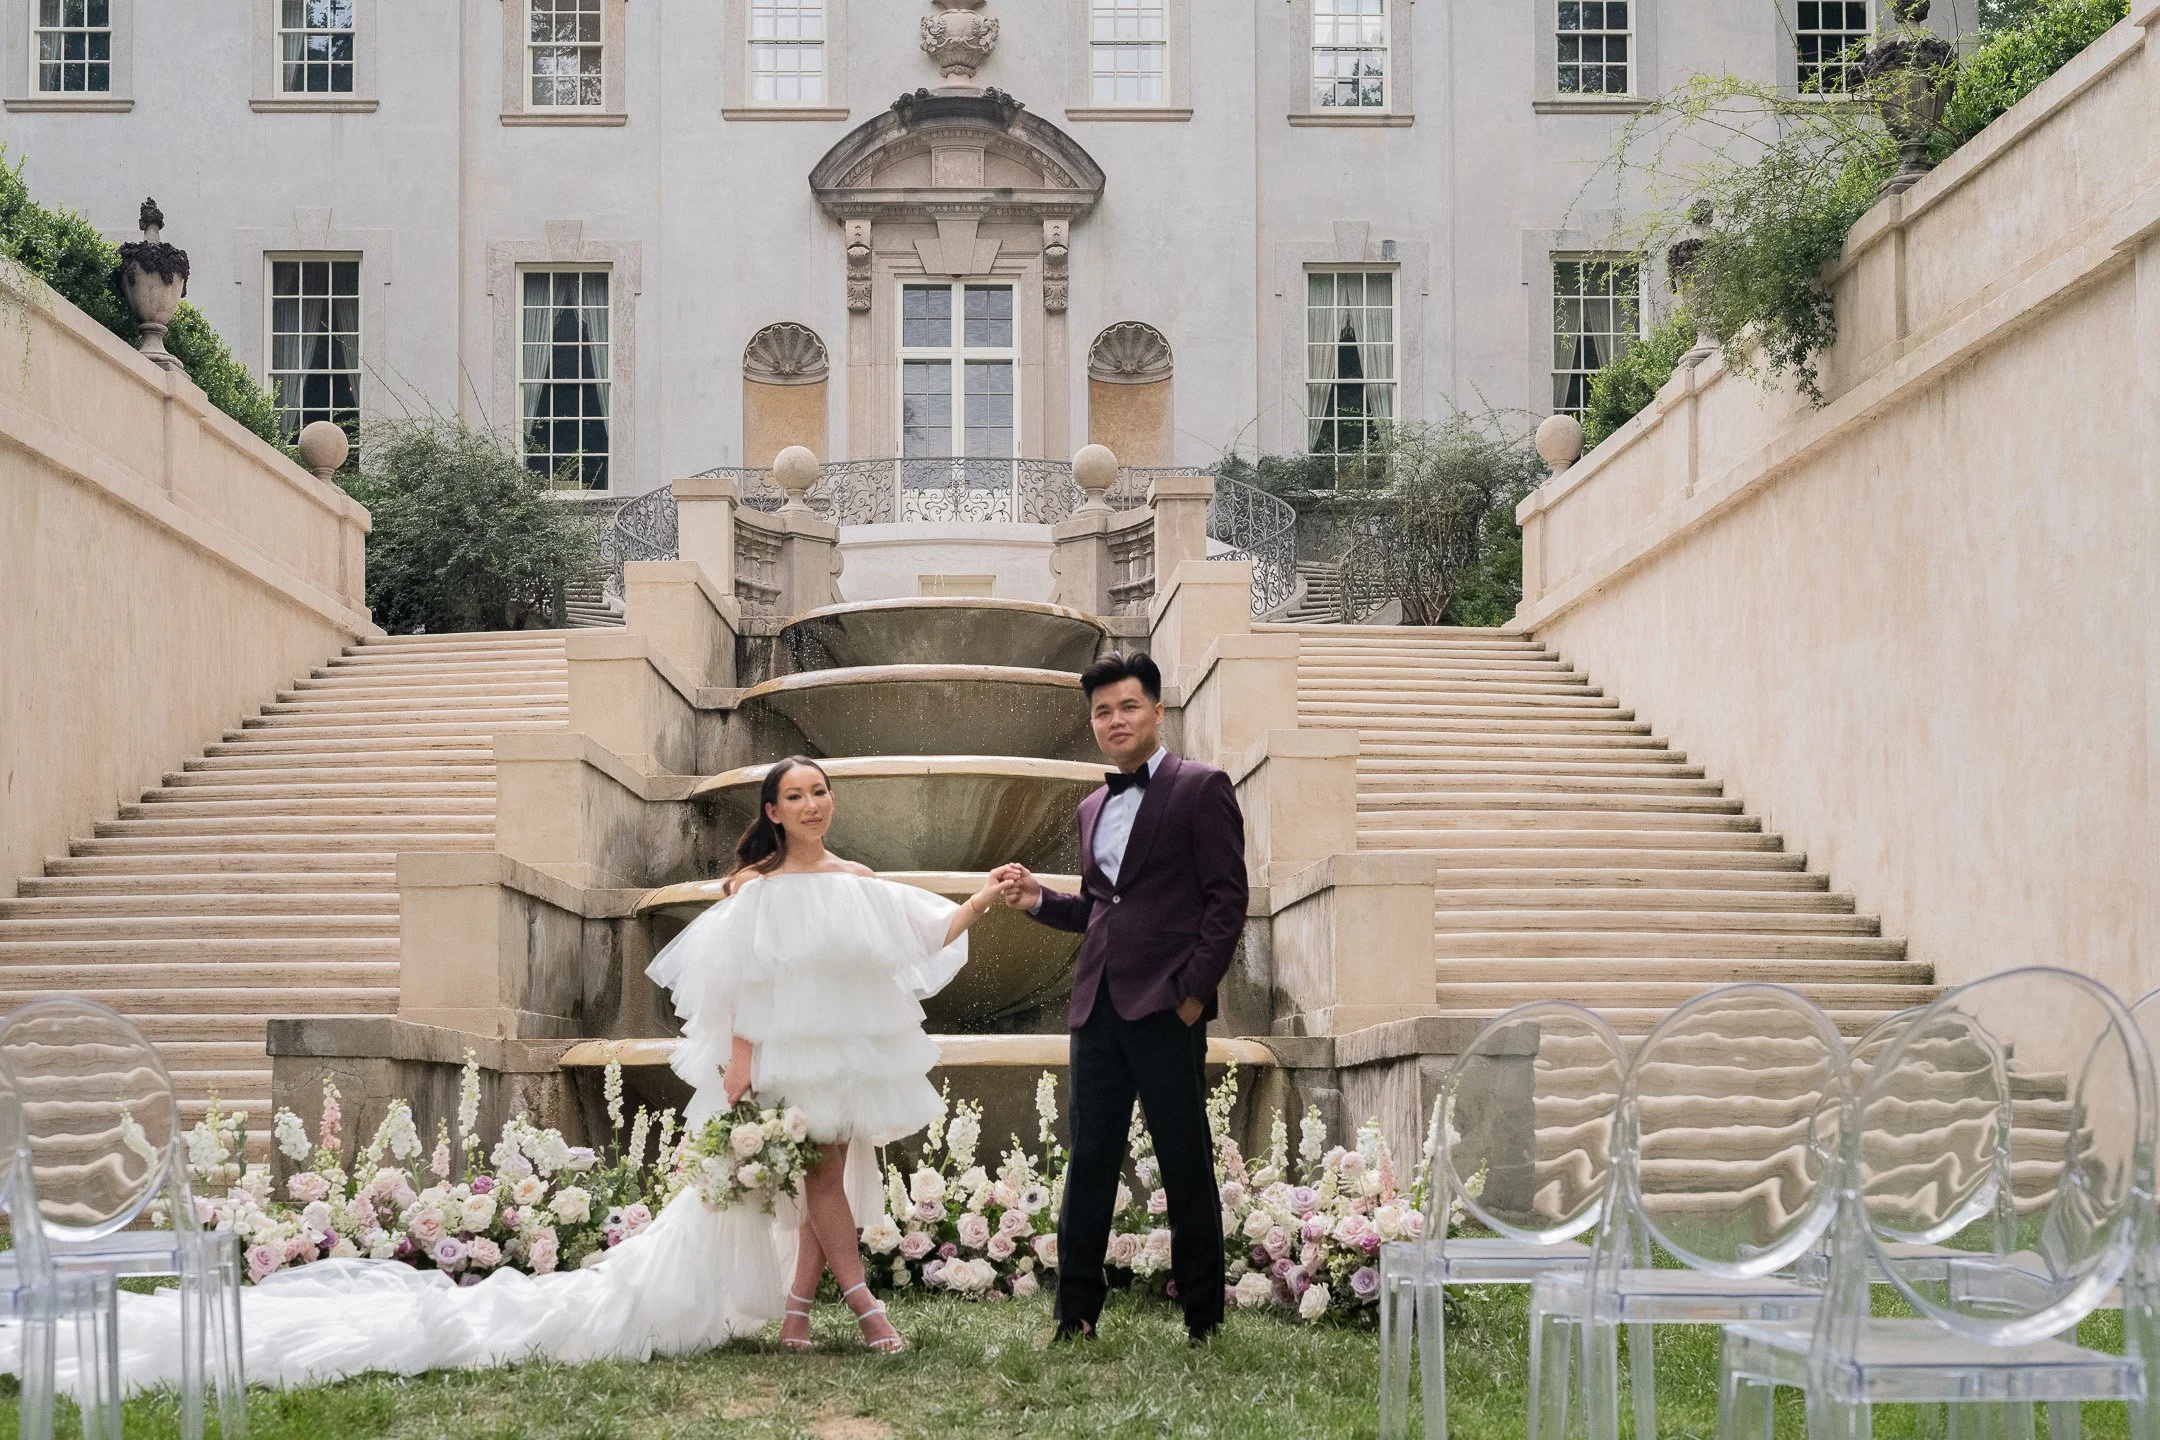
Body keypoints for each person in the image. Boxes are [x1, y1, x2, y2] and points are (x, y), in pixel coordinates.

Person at [15, 756, 999, 1390]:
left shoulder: (858, 884)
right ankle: (862, 1311)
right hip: (778, 1062)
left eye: (822, 790)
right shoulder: (752, 891)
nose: (814, 802)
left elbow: (922, 937)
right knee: (819, 1177)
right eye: (797, 794)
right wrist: (736, 1069)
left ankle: (794, 1318)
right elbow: (730, 985)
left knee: (819, 1177)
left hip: (836, 1056)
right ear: (772, 813)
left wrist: (986, 897)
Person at [995, 651, 1249, 1344]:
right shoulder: (1090, 806)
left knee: (1184, 1159)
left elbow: (1227, 902)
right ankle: (1075, 1315)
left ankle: (1203, 1317)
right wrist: (1037, 900)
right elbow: (1101, 910)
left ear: (1158, 712)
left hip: (1168, 1008)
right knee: (1092, 1161)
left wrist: (1195, 995)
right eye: (1103, 711)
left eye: (1128, 706)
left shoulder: (1203, 788)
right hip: (1097, 1009)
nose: (1115, 720)